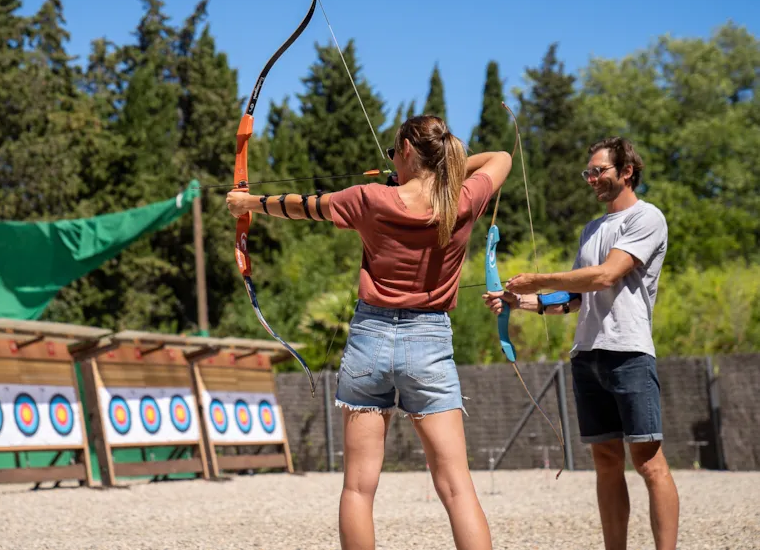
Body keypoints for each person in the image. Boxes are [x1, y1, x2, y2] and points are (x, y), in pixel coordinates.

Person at [227, 115, 512, 550]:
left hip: (369, 342)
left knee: (359, 488)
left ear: (410, 152)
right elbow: (502, 157)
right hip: (430, 344)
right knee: (457, 488)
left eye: (394, 153)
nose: (391, 162)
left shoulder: (368, 198)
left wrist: (248, 205)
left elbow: (301, 205)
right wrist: (446, 174)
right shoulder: (465, 199)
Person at [482, 137, 679, 550]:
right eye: (588, 172)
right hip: (587, 358)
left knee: (649, 464)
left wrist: (540, 278)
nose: (591, 179)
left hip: (628, 353)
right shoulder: (592, 229)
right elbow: (573, 298)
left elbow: (607, 276)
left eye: (599, 171)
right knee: (607, 464)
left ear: (626, 172)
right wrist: (519, 302)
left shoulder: (648, 218)